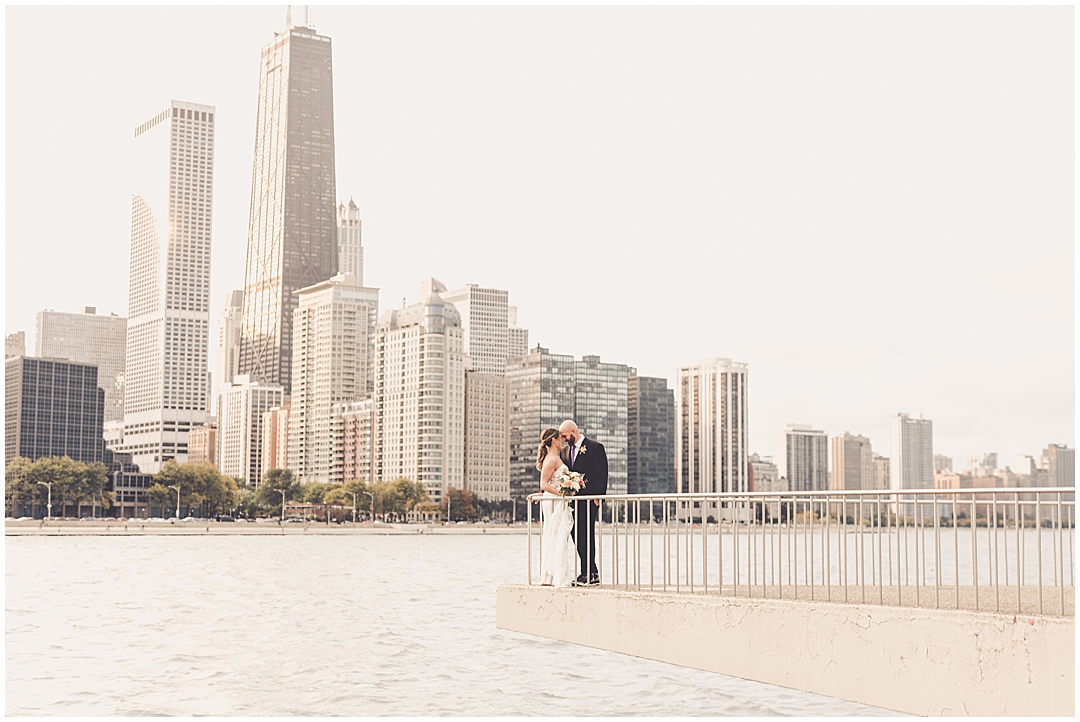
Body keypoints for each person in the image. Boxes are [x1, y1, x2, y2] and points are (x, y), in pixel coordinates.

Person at [559, 420, 608, 586]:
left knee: (586, 535)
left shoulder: (595, 447)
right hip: (572, 502)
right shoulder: (564, 452)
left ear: (573, 431)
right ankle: (590, 572)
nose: (564, 439)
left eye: (565, 435)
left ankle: (587, 573)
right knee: (575, 534)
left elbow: (602, 472)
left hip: (589, 500)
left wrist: (598, 496)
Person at [536, 427, 576, 587]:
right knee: (554, 535)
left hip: (558, 500)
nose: (563, 441)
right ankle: (553, 575)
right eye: (560, 438)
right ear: (554, 440)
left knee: (559, 536)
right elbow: (544, 484)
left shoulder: (556, 458)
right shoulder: (551, 459)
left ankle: (556, 573)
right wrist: (562, 493)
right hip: (554, 502)